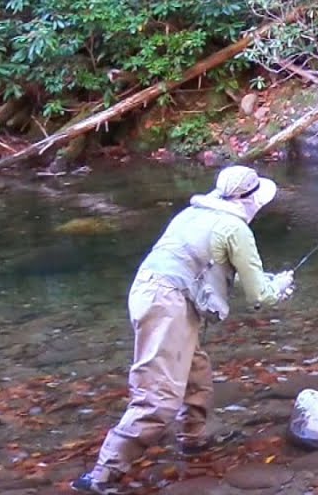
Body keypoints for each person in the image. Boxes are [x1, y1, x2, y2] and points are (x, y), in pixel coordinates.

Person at [73, 165, 297, 494]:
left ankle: (193, 439)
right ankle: (102, 476)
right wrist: (281, 285)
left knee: (196, 371)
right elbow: (260, 295)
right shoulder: (235, 228)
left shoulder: (192, 213)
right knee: (158, 398)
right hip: (169, 304)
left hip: (149, 291)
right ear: (251, 201)